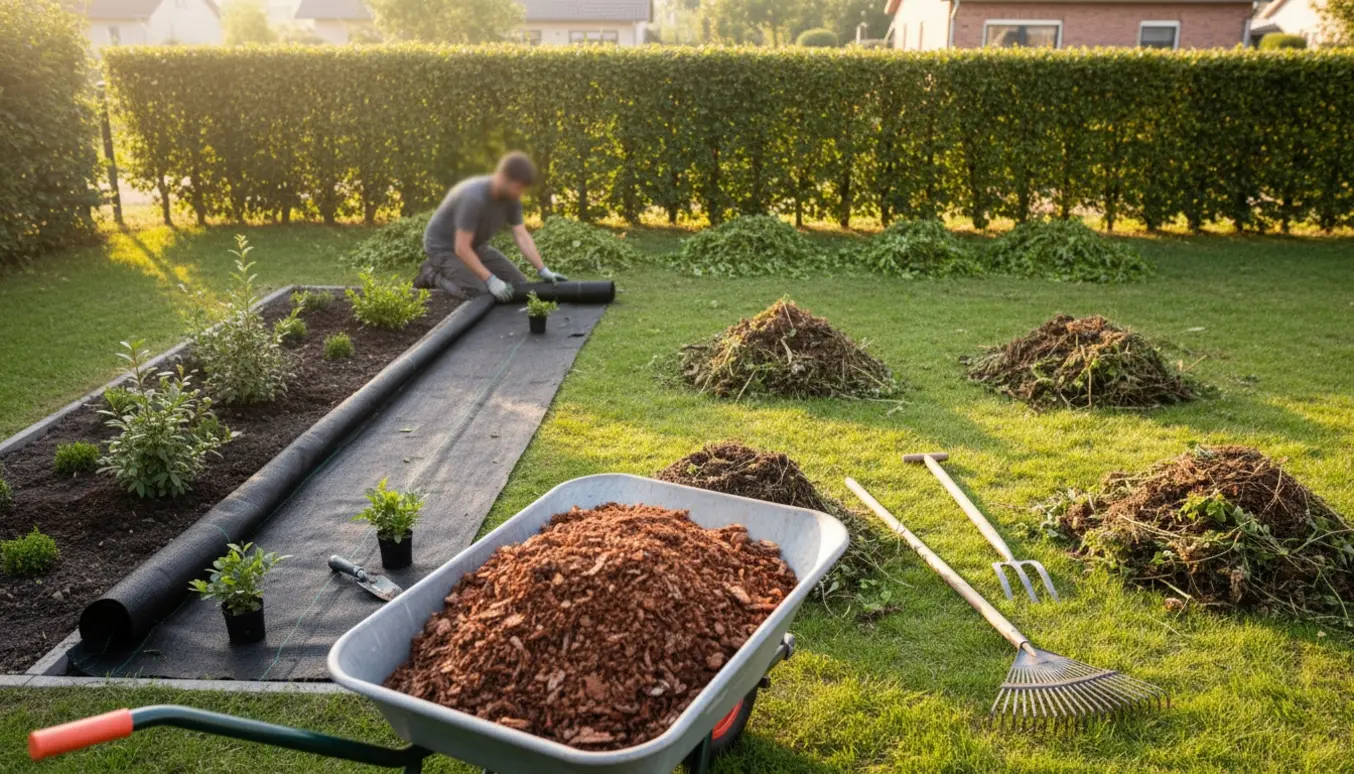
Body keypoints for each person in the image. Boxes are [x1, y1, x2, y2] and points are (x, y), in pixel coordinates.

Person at [415, 152, 567, 302]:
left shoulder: (511, 199)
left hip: (476, 246)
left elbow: (521, 235)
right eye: (518, 187)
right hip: (444, 248)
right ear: (503, 177)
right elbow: (461, 247)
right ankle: (431, 274)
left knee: (519, 285)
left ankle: (468, 275)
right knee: (479, 292)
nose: (520, 193)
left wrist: (543, 270)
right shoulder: (473, 197)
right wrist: (490, 279)